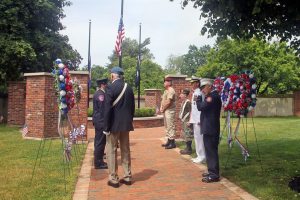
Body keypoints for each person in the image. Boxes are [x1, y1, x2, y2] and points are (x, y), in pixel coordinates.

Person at [103, 66, 135, 188]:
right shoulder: (129, 88)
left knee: (111, 151)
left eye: (111, 74)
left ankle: (113, 178)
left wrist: (106, 126)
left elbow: (107, 109)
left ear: (113, 75)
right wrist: (129, 121)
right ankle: (127, 176)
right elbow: (132, 108)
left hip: (113, 125)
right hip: (125, 124)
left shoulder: (110, 87)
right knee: (125, 150)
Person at [196, 78, 222, 183]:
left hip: (211, 128)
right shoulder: (211, 96)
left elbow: (201, 107)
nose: (202, 90)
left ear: (209, 86)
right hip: (210, 128)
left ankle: (214, 175)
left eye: (203, 87)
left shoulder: (212, 96)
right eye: (201, 88)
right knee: (209, 151)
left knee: (211, 152)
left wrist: (198, 100)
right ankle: (212, 171)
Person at [92, 78, 108, 169]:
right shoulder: (100, 95)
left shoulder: (99, 93)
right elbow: (103, 109)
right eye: (106, 84)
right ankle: (98, 163)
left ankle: (99, 160)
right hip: (101, 121)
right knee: (100, 142)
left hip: (99, 120)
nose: (106, 86)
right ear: (102, 85)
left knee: (99, 141)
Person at [189, 76, 206, 163]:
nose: (191, 84)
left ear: (197, 83)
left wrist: (200, 119)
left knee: (200, 138)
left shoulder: (199, 93)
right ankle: (199, 155)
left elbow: (200, 107)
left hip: (199, 120)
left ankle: (202, 156)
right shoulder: (195, 92)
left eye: (193, 83)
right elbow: (194, 108)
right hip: (195, 119)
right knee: (197, 138)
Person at [160, 77, 176, 149]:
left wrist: (163, 108)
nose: (164, 83)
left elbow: (169, 102)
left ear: (169, 82)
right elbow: (163, 100)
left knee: (170, 126)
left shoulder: (171, 90)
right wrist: (161, 107)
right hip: (166, 110)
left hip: (169, 110)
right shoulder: (166, 91)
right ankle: (169, 141)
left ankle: (172, 143)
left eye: (165, 81)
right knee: (167, 126)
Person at [178, 88, 193, 155]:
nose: (180, 95)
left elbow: (191, 112)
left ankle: (189, 149)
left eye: (181, 93)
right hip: (184, 120)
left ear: (185, 95)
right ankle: (187, 147)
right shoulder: (184, 102)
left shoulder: (188, 102)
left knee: (188, 134)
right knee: (185, 134)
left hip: (187, 121)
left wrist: (190, 121)